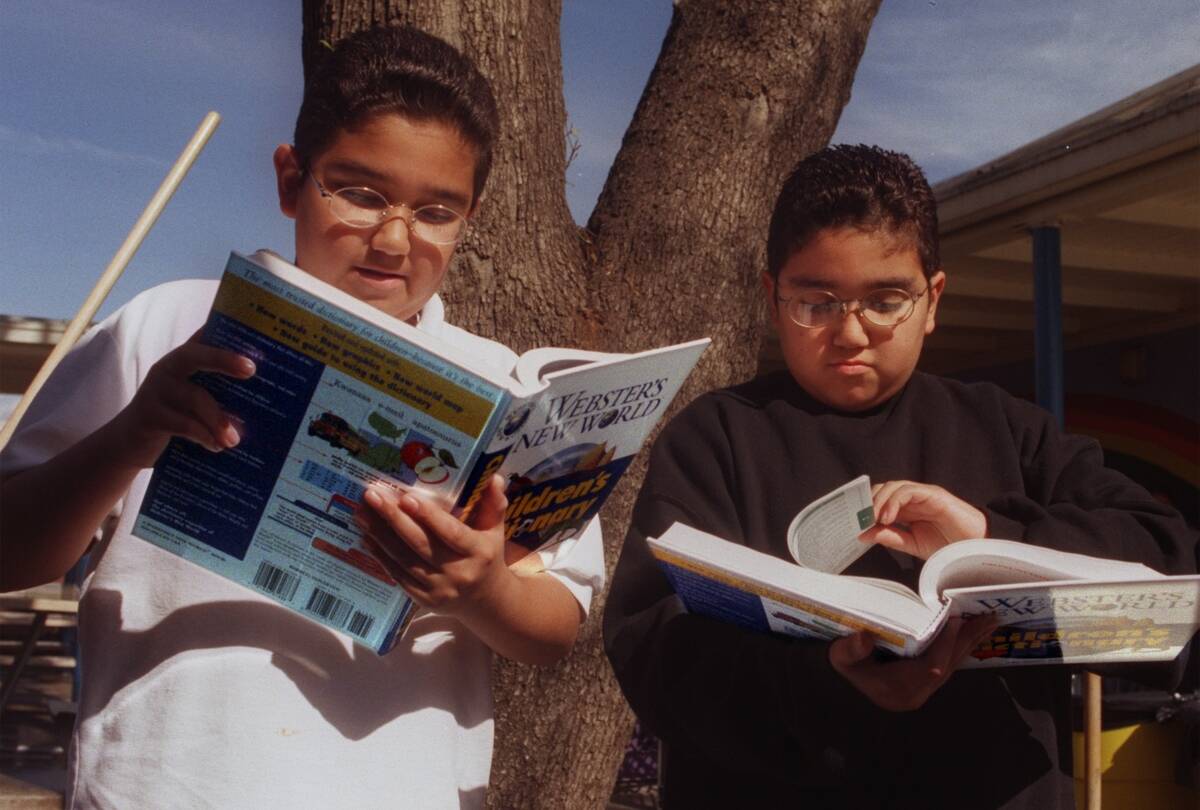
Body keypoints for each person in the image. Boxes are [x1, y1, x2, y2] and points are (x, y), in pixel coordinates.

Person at [0, 26, 602, 809]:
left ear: (470, 218)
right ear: (292, 180)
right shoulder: (168, 324)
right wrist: (127, 440)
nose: (393, 238)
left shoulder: (502, 390)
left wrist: (479, 588)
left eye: (436, 211)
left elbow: (556, 628)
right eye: (358, 191)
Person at [602, 144, 1197, 809]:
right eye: (817, 303)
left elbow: (1164, 557)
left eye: (886, 301)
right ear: (773, 297)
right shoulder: (716, 437)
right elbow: (655, 646)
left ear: (932, 299)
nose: (851, 333)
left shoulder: (1009, 430)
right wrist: (824, 681)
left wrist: (984, 536)